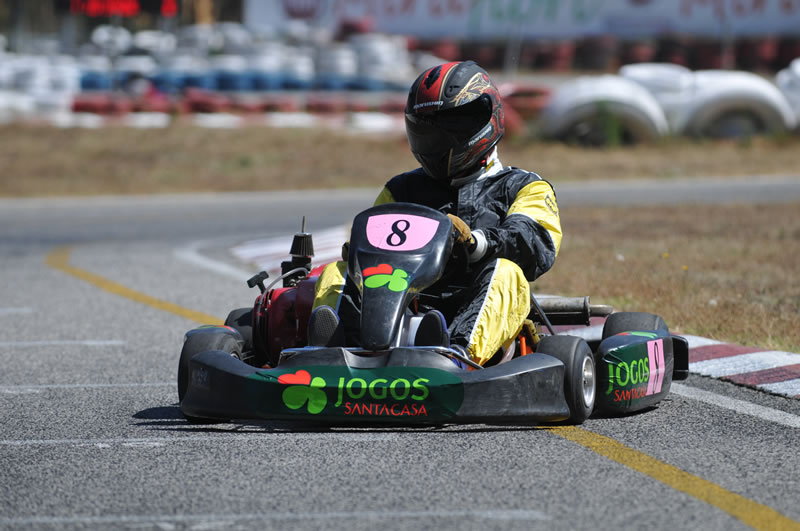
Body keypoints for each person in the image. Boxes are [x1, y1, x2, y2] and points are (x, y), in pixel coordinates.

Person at [309, 60, 562, 366]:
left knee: (507, 273)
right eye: (427, 131)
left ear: (481, 122)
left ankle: (455, 356)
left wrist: (476, 243)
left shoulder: (522, 186)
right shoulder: (401, 189)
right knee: (338, 271)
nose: (436, 143)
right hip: (404, 300)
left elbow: (534, 242)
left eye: (449, 129)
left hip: (476, 302)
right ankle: (334, 355)